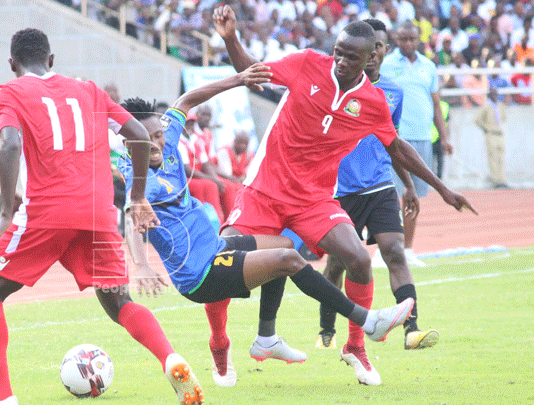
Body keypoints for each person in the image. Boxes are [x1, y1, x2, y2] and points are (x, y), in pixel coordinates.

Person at [212, 7, 475, 386]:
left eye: (351, 56)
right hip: (265, 189)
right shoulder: (306, 64)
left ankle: (355, 347)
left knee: (357, 258)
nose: (341, 61)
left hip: (313, 199)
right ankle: (221, 345)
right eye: (338, 52)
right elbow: (252, 73)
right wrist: (230, 38)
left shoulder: (373, 102)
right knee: (224, 256)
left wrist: (442, 188)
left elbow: (397, 149)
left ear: (371, 58)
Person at [117, 85, 414, 389]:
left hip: (215, 249)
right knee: (289, 260)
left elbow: (186, 99)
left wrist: (240, 78)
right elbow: (130, 215)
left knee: (285, 244)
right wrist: (140, 265)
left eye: (158, 134)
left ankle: (266, 338)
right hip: (200, 274)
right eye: (146, 139)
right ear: (128, 143)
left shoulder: (164, 146)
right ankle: (368, 321)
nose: (156, 143)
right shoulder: (140, 181)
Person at [0, 28, 202, 405]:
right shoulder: (90, 91)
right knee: (118, 301)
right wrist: (138, 196)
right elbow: (139, 137)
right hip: (98, 214)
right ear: (51, 61)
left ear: (12, 64)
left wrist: (5, 214)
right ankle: (170, 358)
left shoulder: (8, 92)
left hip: (47, 212)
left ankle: (1, 398)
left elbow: (10, 142)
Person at [317, 19, 440, 356]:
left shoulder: (393, 93)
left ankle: (411, 329)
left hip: (381, 186)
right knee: (338, 264)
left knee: (395, 252)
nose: (372, 55)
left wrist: (409, 186)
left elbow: (393, 144)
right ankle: (327, 327)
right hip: (341, 191)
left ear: (383, 51)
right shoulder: (336, 86)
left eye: (379, 47)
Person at [381, 21, 454, 268]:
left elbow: (436, 105)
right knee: (390, 194)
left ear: (419, 40)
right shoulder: (386, 64)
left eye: (412, 39)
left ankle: (408, 249)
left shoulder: (429, 67)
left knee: (413, 196)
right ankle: (387, 248)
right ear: (396, 39)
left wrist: (444, 138)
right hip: (393, 138)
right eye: (403, 39)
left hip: (423, 137)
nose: (408, 44)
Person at [474, 87, 509, 189]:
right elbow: (477, 120)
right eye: (493, 94)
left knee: (501, 158)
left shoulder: (500, 106)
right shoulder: (486, 106)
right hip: (491, 134)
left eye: (496, 94)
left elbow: (503, 119)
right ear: (489, 95)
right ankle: (496, 180)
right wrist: (486, 128)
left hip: (500, 134)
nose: (495, 96)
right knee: (493, 158)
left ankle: (502, 179)